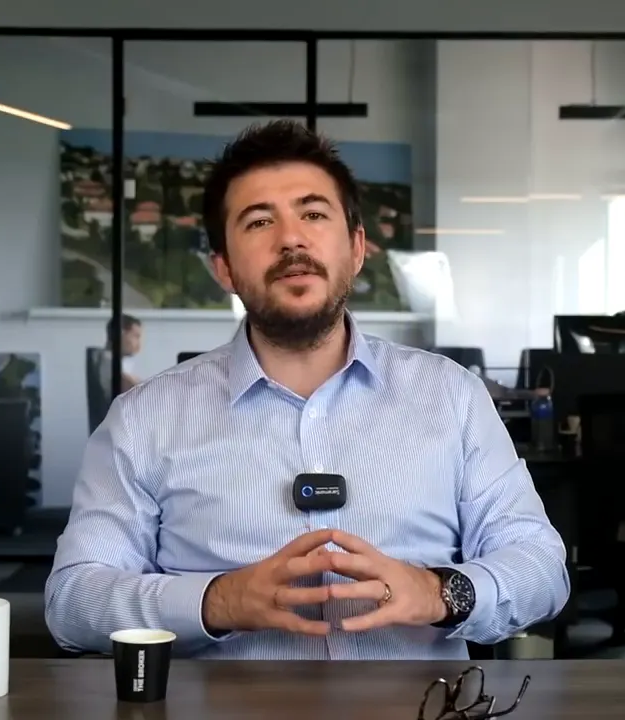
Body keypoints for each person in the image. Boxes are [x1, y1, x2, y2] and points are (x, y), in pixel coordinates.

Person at [46, 120, 569, 660]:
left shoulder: (453, 398)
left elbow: (541, 567)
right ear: (222, 266)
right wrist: (217, 601)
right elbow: (73, 601)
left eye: (314, 214)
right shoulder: (143, 419)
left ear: (357, 247)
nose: (291, 238)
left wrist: (439, 592)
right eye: (258, 222)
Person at [99, 314, 142, 399]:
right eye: (136, 336)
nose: (139, 344)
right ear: (120, 334)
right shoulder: (110, 364)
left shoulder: (110, 361)